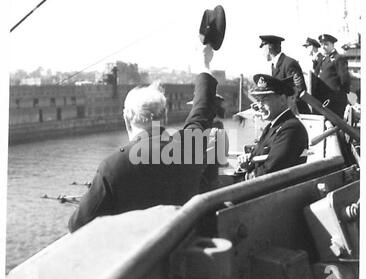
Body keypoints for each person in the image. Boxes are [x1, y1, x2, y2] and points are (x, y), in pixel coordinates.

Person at [68, 45, 224, 232]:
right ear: (164, 116)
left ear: (127, 117)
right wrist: (204, 63)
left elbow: (77, 225)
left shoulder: (113, 166)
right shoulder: (189, 148)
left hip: (141, 256)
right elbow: (203, 106)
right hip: (181, 249)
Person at [238, 74, 309, 179]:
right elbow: (257, 159)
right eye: (258, 100)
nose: (260, 105)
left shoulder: (291, 128)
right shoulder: (272, 127)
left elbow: (272, 170)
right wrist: (246, 166)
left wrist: (248, 175)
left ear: (282, 100)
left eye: (264, 99)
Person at [259, 35, 311, 114]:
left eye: (263, 48)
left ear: (269, 47)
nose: (262, 53)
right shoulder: (274, 65)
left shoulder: (289, 63)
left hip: (296, 113)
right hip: (285, 111)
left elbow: (300, 91)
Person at [314, 34, 351, 118]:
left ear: (332, 45)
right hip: (321, 99)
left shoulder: (339, 58)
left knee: (335, 125)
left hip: (334, 100)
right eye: (322, 44)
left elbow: (344, 80)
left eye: (326, 44)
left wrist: (339, 95)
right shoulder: (322, 59)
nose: (323, 47)